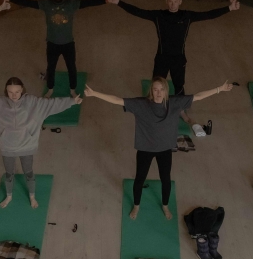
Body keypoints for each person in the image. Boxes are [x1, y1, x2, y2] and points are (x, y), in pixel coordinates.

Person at [85, 77, 233, 220]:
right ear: (151, 91)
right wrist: (94, 93)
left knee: (166, 179)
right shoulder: (141, 104)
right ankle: (136, 205)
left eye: (161, 89)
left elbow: (198, 96)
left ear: (166, 90)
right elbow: (118, 100)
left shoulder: (174, 103)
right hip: (145, 149)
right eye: (155, 89)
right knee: (139, 179)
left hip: (165, 149)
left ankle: (165, 205)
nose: (158, 93)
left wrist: (220, 88)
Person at [107, 0, 238, 132]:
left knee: (179, 85)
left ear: (180, 2)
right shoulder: (159, 16)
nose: (173, 4)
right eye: (170, 1)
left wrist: (230, 8)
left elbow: (208, 14)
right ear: (166, 1)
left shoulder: (187, 16)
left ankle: (181, 111)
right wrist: (118, 2)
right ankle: (153, 108)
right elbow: (138, 11)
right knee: (156, 85)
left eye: (176, 1)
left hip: (178, 59)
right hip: (162, 58)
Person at [0, 77, 82, 209]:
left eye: (17, 92)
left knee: (29, 172)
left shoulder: (33, 103)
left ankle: (32, 196)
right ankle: (9, 196)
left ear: (22, 90)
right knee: (9, 173)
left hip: (27, 145)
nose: (14, 95)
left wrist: (72, 101)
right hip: (7, 147)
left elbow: (52, 104)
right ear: (6, 91)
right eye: (10, 92)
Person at [2, 0, 108, 98]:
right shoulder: (46, 4)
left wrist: (105, 0)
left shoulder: (71, 4)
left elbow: (88, 2)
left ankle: (72, 89)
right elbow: (28, 2)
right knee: (51, 68)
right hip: (52, 44)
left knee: (71, 68)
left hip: (68, 43)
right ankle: (50, 89)